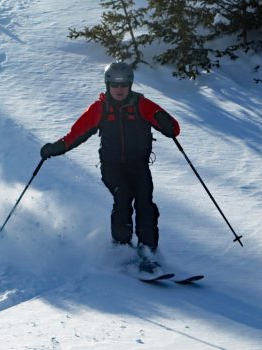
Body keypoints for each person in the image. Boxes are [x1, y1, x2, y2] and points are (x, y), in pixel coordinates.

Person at [40, 61, 180, 273]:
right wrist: (56, 148)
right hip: (112, 167)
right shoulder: (100, 109)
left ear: (130, 85)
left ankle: (147, 251)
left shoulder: (141, 105)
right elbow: (76, 135)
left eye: (123, 84)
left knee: (145, 203)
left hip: (139, 166)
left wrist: (166, 124)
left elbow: (173, 128)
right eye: (114, 84)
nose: (119, 89)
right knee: (123, 198)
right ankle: (122, 249)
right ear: (107, 85)